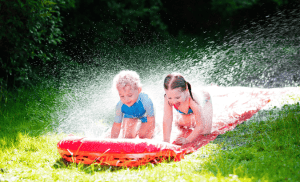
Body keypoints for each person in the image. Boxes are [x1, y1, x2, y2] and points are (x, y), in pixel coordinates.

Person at [163, 73, 213, 145]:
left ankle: (184, 118)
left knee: (205, 133)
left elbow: (200, 126)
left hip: (205, 101)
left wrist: (187, 140)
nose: (173, 101)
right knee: (185, 123)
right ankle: (181, 119)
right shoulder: (167, 98)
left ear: (186, 89)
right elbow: (167, 119)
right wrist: (166, 141)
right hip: (186, 109)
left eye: (177, 98)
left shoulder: (193, 101)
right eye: (170, 97)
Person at [111, 70, 155, 139]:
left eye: (130, 95)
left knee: (143, 136)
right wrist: (112, 141)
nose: (126, 99)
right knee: (128, 136)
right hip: (131, 115)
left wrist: (148, 137)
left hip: (145, 116)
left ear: (139, 90)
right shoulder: (120, 105)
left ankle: (147, 130)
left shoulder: (146, 100)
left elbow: (151, 121)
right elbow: (116, 125)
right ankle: (136, 129)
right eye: (122, 96)